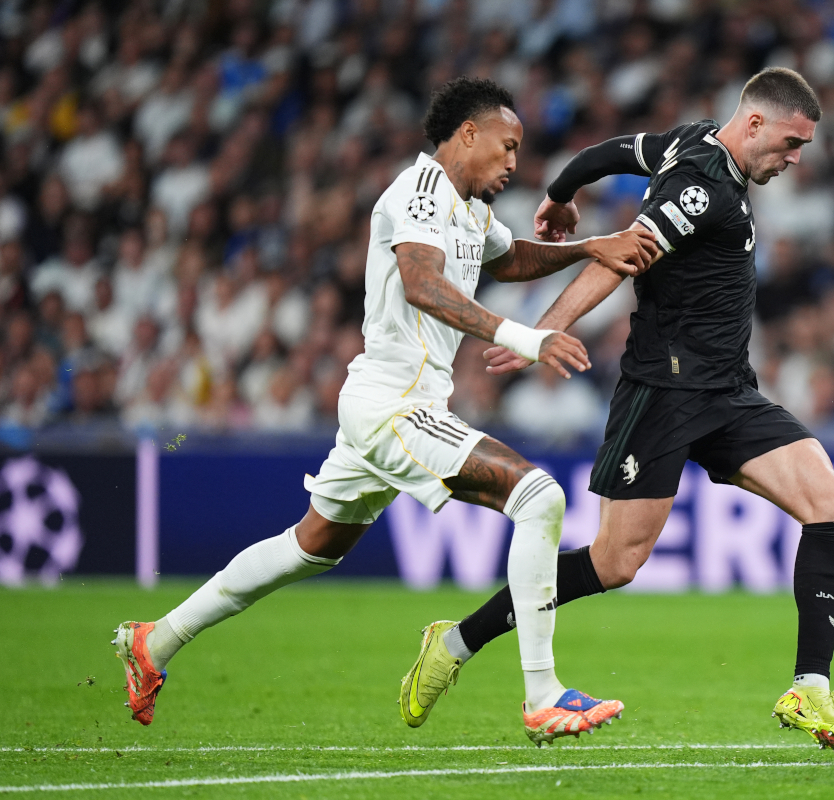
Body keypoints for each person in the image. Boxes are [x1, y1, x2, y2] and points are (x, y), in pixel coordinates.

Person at [112, 77, 658, 746]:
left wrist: (588, 246)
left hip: (389, 404)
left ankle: (154, 641)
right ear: (467, 135)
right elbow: (423, 284)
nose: (515, 163)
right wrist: (525, 338)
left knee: (308, 547)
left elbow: (509, 257)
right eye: (508, 146)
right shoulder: (419, 193)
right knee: (539, 498)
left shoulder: (466, 211)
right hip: (394, 404)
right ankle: (542, 694)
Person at [401, 67, 834, 752]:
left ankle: (810, 689)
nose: (795, 159)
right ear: (756, 123)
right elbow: (622, 258)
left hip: (729, 390)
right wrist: (539, 331)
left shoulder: (691, 143)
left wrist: (561, 193)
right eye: (791, 143)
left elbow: (611, 153)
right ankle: (458, 640)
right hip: (664, 393)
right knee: (615, 563)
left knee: (832, 502)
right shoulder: (700, 189)